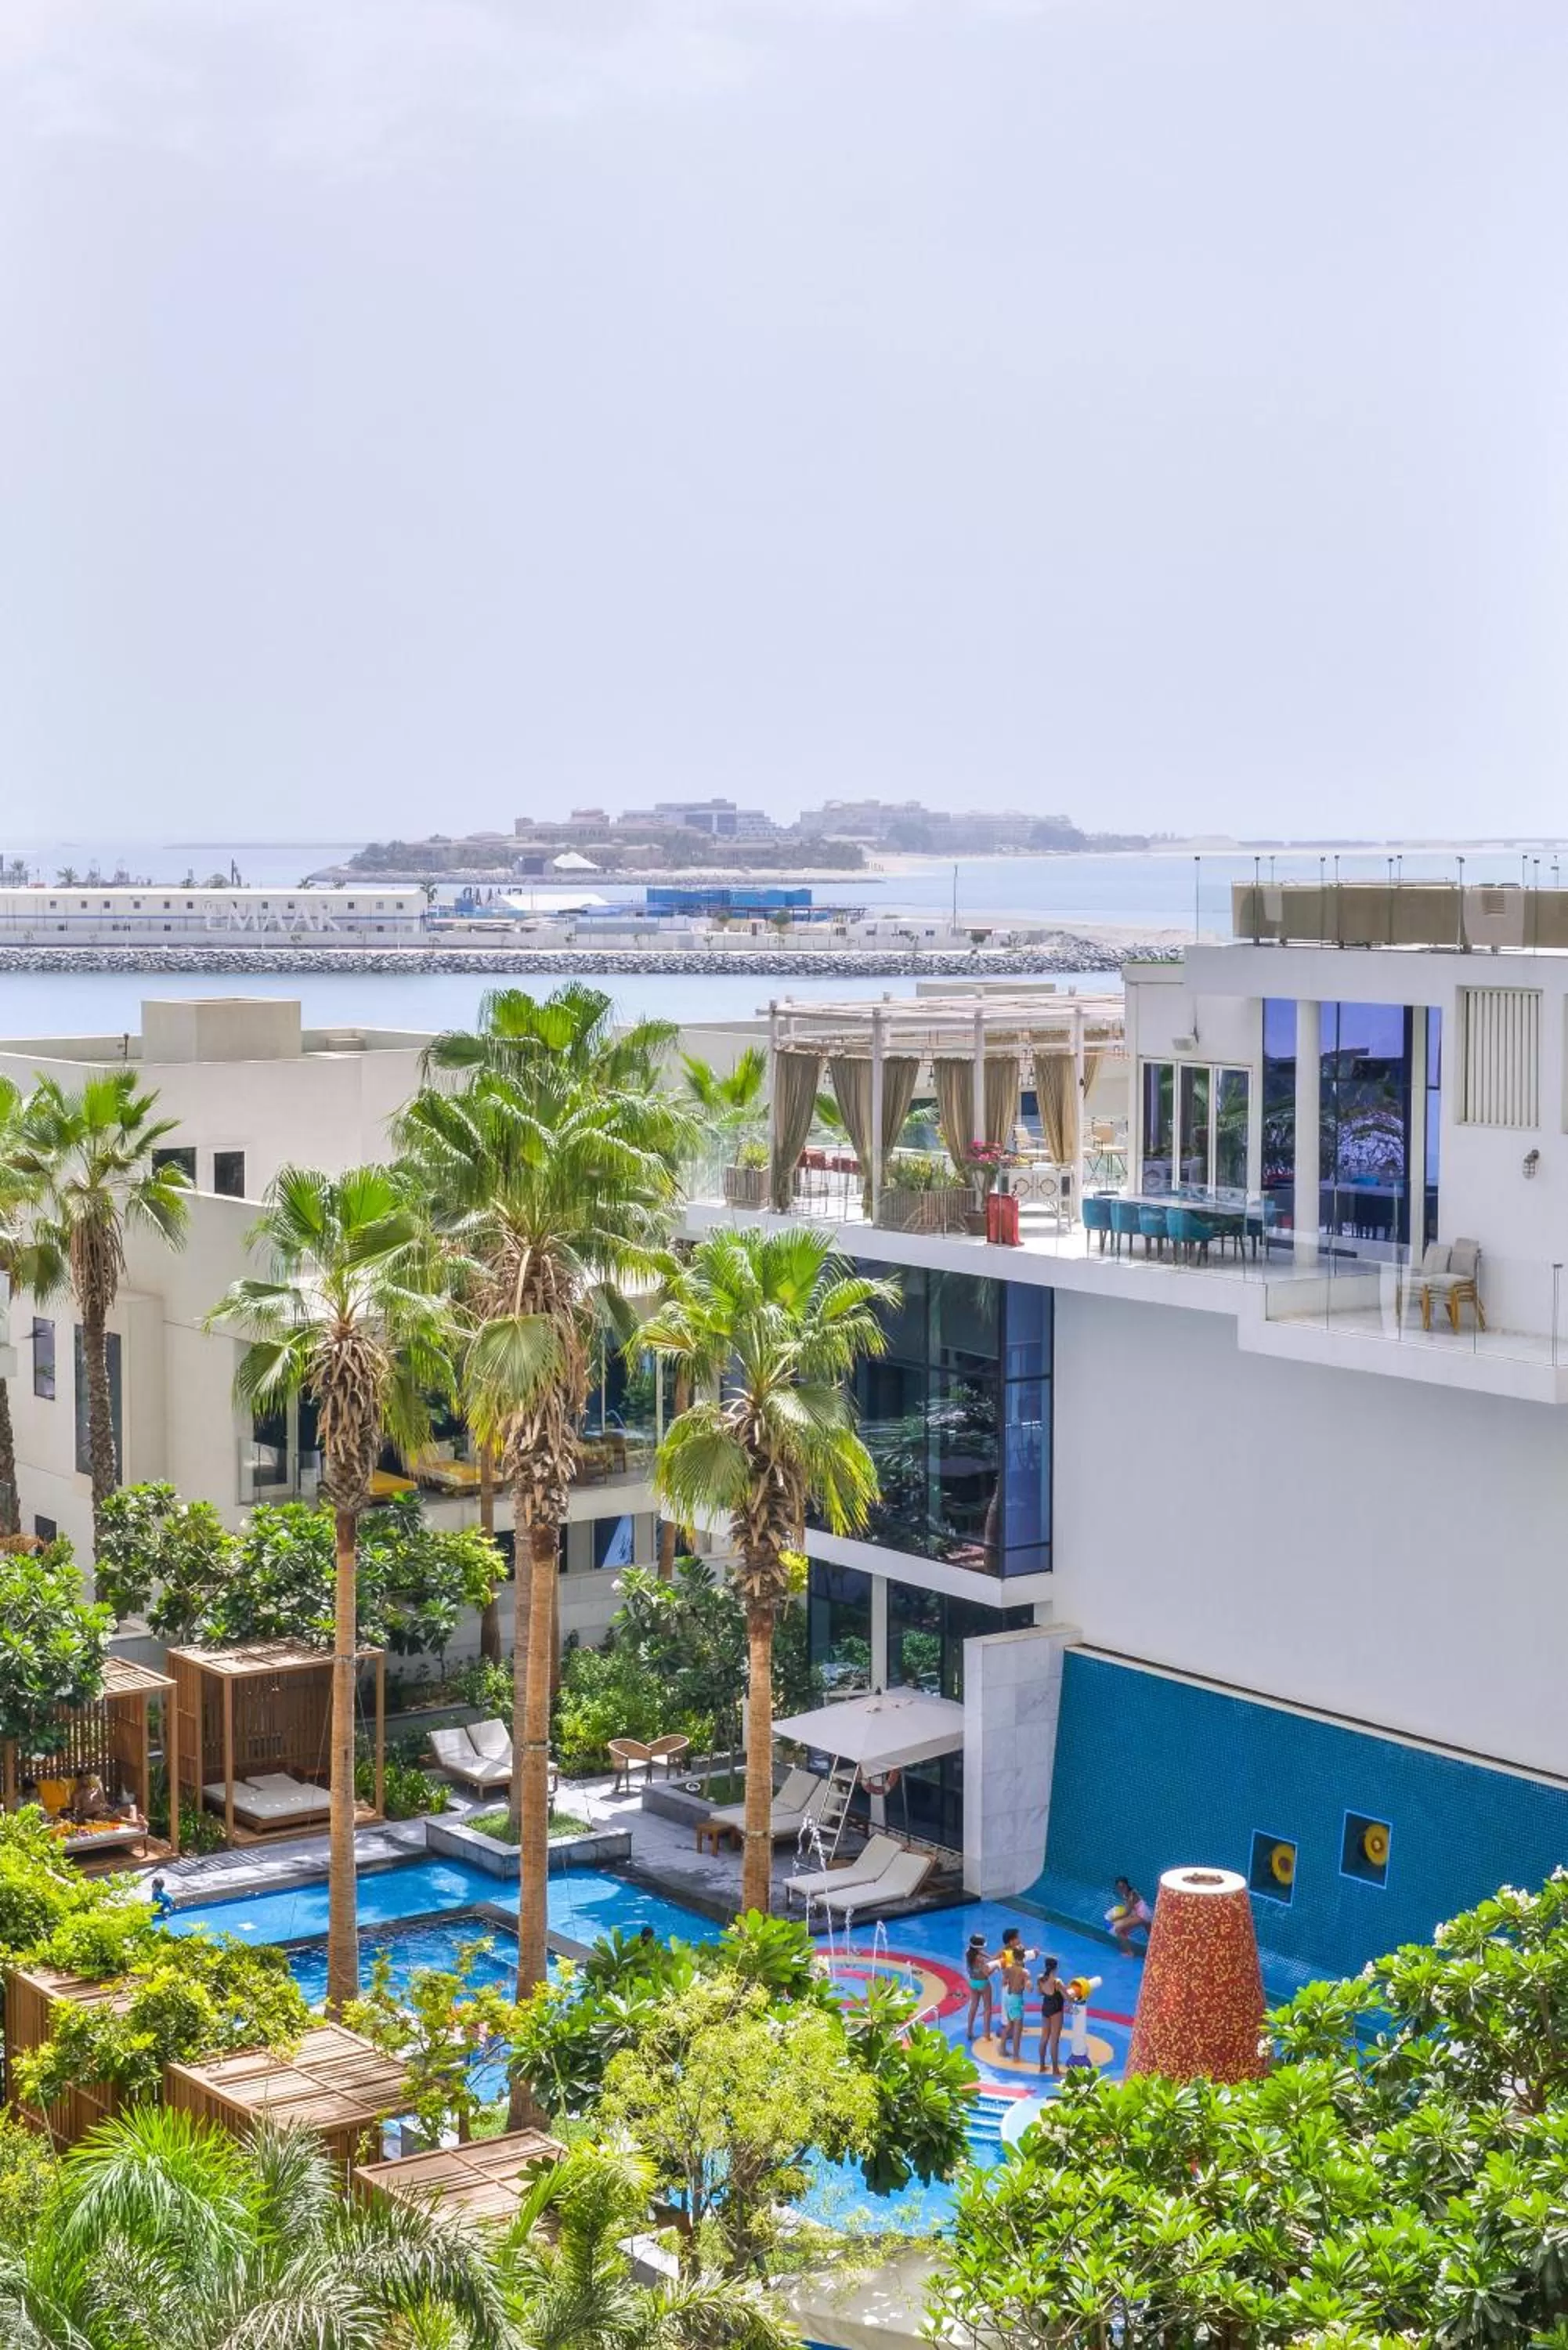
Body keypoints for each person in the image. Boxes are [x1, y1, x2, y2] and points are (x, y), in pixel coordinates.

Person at [998, 1946, 1031, 2061]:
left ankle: (1002, 2048)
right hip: (1016, 1999)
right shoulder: (1025, 1972)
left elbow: (1003, 1982)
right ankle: (1016, 2056)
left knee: (1010, 2025)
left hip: (1008, 1997)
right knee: (1017, 2029)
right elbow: (1029, 1988)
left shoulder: (1008, 1968)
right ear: (1024, 1957)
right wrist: (1024, 1985)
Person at [963, 1932, 995, 2044]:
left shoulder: (968, 1952)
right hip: (983, 1984)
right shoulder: (980, 1959)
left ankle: (969, 2031)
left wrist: (991, 1958)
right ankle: (986, 2033)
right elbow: (986, 1973)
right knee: (987, 2009)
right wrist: (995, 1966)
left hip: (973, 1983)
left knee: (973, 2006)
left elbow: (979, 1952)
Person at [1107, 1876, 1152, 1956]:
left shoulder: (1132, 1895)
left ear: (1127, 1885)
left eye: (1123, 1886)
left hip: (1142, 1916)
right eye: (1119, 1887)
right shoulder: (1127, 1894)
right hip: (1144, 1914)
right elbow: (1130, 1909)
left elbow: (1127, 1913)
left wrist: (1113, 1918)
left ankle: (1129, 1953)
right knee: (1152, 1936)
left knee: (1118, 1930)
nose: (1121, 1889)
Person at [1037, 1956, 1066, 2076]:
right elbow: (1068, 1998)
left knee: (1044, 2038)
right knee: (1054, 2041)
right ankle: (1055, 2070)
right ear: (1056, 1968)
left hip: (1045, 2009)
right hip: (1056, 2011)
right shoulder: (1057, 1982)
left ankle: (1042, 2066)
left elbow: (1039, 1993)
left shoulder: (1040, 1979)